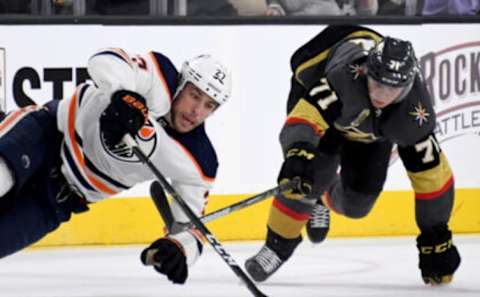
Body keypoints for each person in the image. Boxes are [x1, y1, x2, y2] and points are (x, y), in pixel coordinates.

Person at [244, 25, 461, 286]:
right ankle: (276, 247)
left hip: (370, 135)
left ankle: (322, 199)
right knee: (306, 177)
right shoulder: (343, 78)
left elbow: (432, 178)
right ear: (367, 70)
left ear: (407, 85)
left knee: (358, 207)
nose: (381, 95)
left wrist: (436, 237)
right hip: (330, 118)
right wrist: (297, 152)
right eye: (377, 82)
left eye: (391, 89)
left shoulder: (415, 112)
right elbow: (305, 116)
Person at [0, 47, 232, 285]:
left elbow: (192, 229)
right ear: (181, 84)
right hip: (44, 136)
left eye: (209, 105)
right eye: (194, 95)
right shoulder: (158, 75)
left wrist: (178, 249)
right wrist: (123, 96)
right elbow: (104, 60)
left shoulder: (198, 161)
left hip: (57, 200)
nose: (197, 111)